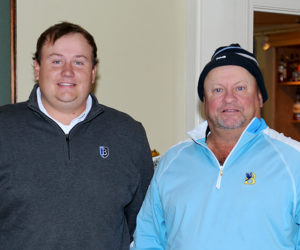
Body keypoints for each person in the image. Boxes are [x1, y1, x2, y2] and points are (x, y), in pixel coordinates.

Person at [0, 21, 153, 250]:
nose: (68, 72)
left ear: (93, 72)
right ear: (37, 68)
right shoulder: (4, 127)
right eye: (56, 61)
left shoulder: (128, 133)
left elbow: (144, 226)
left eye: (79, 62)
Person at [132, 44, 300, 250]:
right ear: (204, 102)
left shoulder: (294, 160)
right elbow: (148, 238)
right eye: (217, 90)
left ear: (259, 98)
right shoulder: (172, 161)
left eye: (240, 88)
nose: (229, 98)